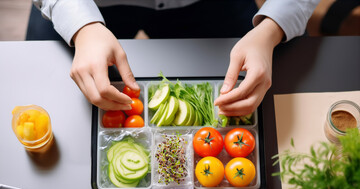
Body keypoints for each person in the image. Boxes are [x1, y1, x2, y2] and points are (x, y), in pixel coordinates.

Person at [30, 0, 319, 116]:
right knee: (44, 93)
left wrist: (271, 28)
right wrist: (81, 26)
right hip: (87, 4)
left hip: (210, 5)